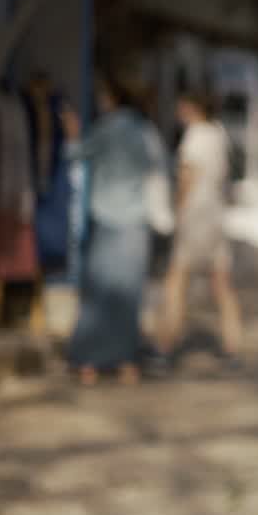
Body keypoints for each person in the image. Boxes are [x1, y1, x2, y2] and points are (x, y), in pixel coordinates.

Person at [62, 73, 165, 386]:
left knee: (98, 296)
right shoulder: (144, 131)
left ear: (112, 97)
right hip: (135, 224)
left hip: (108, 220)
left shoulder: (106, 129)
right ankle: (126, 361)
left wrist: (71, 132)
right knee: (128, 297)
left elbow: (74, 153)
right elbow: (158, 168)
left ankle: (88, 362)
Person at [152, 89, 243, 373]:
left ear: (191, 107)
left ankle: (165, 347)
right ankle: (233, 346)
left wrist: (176, 215)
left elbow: (186, 179)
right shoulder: (218, 133)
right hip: (215, 215)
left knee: (176, 281)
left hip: (195, 216)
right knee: (222, 285)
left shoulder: (194, 136)